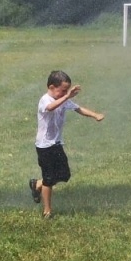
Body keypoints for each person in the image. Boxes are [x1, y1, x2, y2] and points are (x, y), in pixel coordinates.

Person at [28, 70, 105, 218]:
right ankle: (47, 211)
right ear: (51, 87)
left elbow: (78, 109)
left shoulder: (63, 99)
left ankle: (37, 184)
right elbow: (50, 108)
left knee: (64, 174)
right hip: (44, 146)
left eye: (66, 91)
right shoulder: (45, 100)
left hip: (56, 143)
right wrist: (67, 97)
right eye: (62, 90)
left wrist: (95, 115)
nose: (65, 93)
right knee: (49, 178)